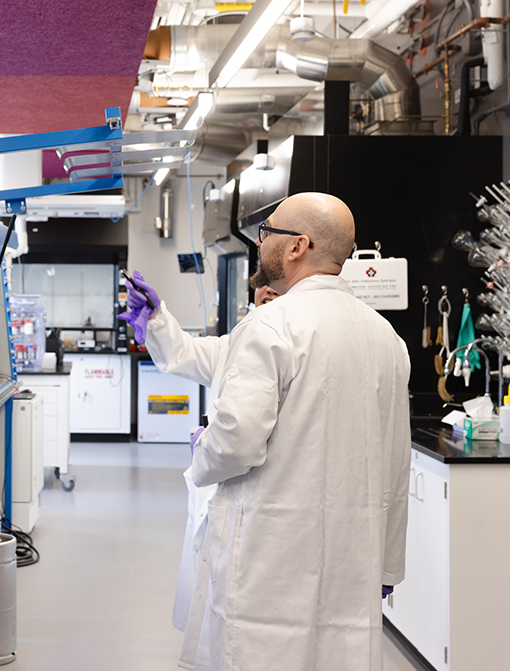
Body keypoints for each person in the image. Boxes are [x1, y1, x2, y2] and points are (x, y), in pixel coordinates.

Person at [127, 192, 411, 671]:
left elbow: (234, 443)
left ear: (298, 245)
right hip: (351, 562)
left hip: (270, 559)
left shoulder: (275, 324)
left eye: (267, 233)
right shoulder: (386, 337)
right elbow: (395, 465)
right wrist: (388, 563)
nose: (260, 245)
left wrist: (203, 449)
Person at [119, 266, 277, 669]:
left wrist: (206, 449)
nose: (263, 302)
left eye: (272, 295)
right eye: (259, 296)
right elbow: (186, 353)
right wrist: (157, 318)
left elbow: (240, 441)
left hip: (262, 508)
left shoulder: (284, 343)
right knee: (216, 620)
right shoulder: (243, 342)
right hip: (224, 499)